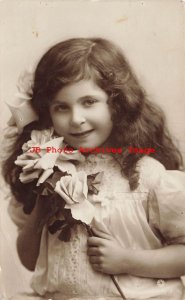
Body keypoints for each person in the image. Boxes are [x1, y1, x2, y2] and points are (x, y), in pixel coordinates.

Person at [2, 37, 185, 300]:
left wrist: (128, 261)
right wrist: (43, 200)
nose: (76, 119)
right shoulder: (44, 169)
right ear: (46, 113)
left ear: (117, 104)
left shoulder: (146, 176)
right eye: (61, 107)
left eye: (89, 102)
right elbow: (30, 261)